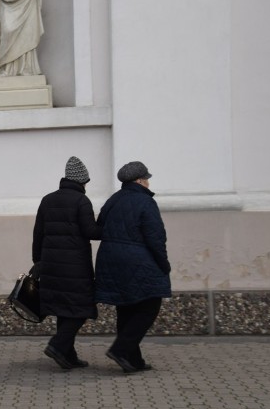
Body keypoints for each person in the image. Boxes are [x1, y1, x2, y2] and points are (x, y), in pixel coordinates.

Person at [95, 161, 171, 373]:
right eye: (146, 178)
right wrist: (164, 264)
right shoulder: (145, 202)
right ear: (139, 180)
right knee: (150, 305)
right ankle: (120, 349)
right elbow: (156, 237)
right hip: (136, 260)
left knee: (126, 307)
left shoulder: (113, 200)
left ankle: (133, 360)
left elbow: (99, 228)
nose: (148, 182)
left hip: (109, 259)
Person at [32, 156, 102, 369]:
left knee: (65, 309)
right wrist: (107, 225)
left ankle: (68, 355)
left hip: (51, 265)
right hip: (75, 266)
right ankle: (57, 345)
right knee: (81, 307)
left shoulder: (48, 199)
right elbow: (91, 231)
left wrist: (38, 262)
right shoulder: (82, 201)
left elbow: (38, 234)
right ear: (82, 181)